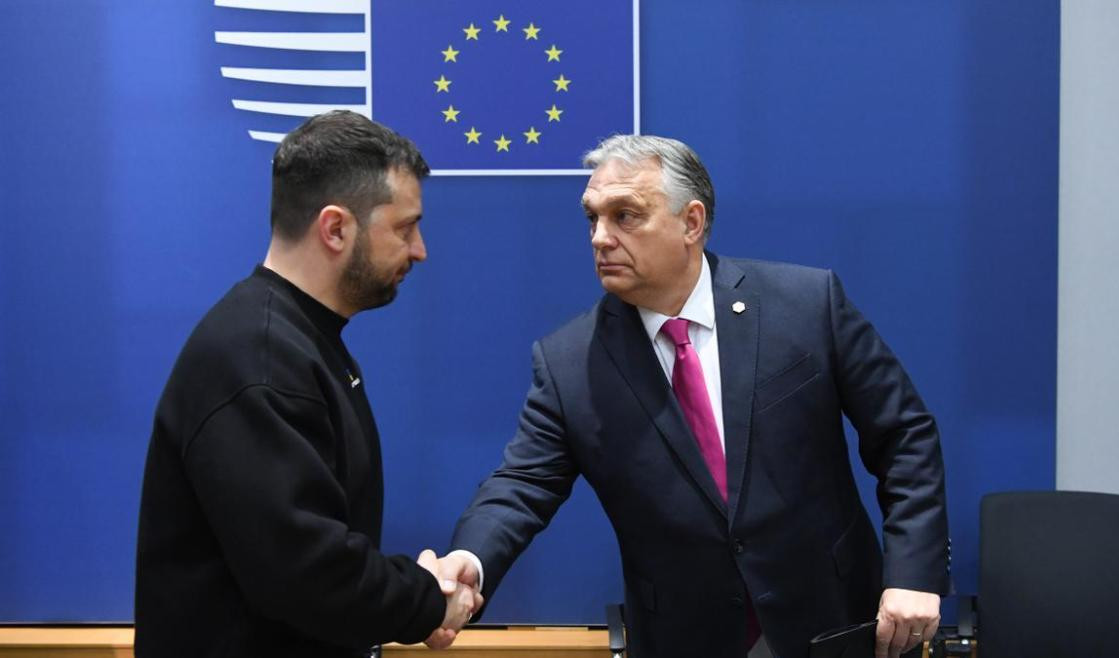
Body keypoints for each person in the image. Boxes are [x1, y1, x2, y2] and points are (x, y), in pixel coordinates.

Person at [434, 135, 950, 657]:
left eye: (625, 216)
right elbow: (521, 484)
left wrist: (913, 571)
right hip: (685, 638)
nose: (600, 237)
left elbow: (904, 434)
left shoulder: (805, 305)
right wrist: (469, 562)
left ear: (692, 222)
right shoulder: (570, 362)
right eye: (592, 218)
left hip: (834, 621)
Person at [135, 111, 479, 658]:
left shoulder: (296, 341)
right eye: (404, 227)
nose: (420, 250)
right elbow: (304, 570)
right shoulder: (259, 356)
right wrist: (427, 601)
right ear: (336, 228)